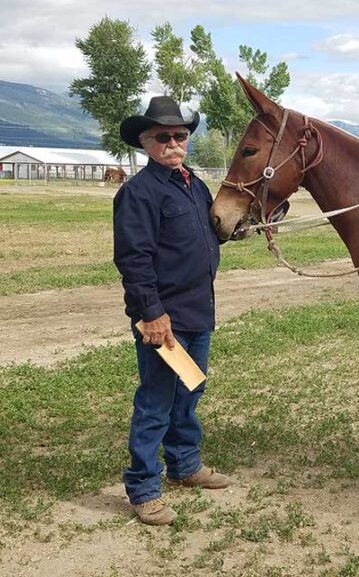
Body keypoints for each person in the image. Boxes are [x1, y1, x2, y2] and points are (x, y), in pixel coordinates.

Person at [114, 96, 230, 526]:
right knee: (156, 401)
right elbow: (134, 259)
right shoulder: (139, 193)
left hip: (199, 311)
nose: (173, 142)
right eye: (162, 136)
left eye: (180, 135)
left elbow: (209, 234)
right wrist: (151, 313)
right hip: (164, 318)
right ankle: (143, 487)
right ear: (146, 142)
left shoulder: (193, 184)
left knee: (190, 390)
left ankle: (184, 464)